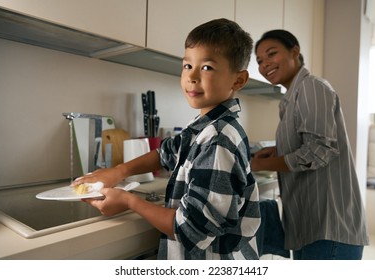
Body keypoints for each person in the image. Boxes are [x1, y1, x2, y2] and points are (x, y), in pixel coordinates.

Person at [72, 18, 260, 260]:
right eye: (186, 66)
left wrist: (129, 201)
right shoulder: (204, 127)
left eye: (207, 68)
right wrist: (117, 172)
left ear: (238, 80)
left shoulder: (219, 139)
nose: (192, 76)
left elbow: (190, 231)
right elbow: (165, 153)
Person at [251, 29, 369, 260]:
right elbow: (312, 143)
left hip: (330, 231)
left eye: (271, 54)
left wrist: (258, 165)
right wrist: (277, 152)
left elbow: (319, 151)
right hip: (311, 229)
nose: (265, 64)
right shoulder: (291, 99)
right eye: (259, 61)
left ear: (294, 51)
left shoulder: (311, 87)